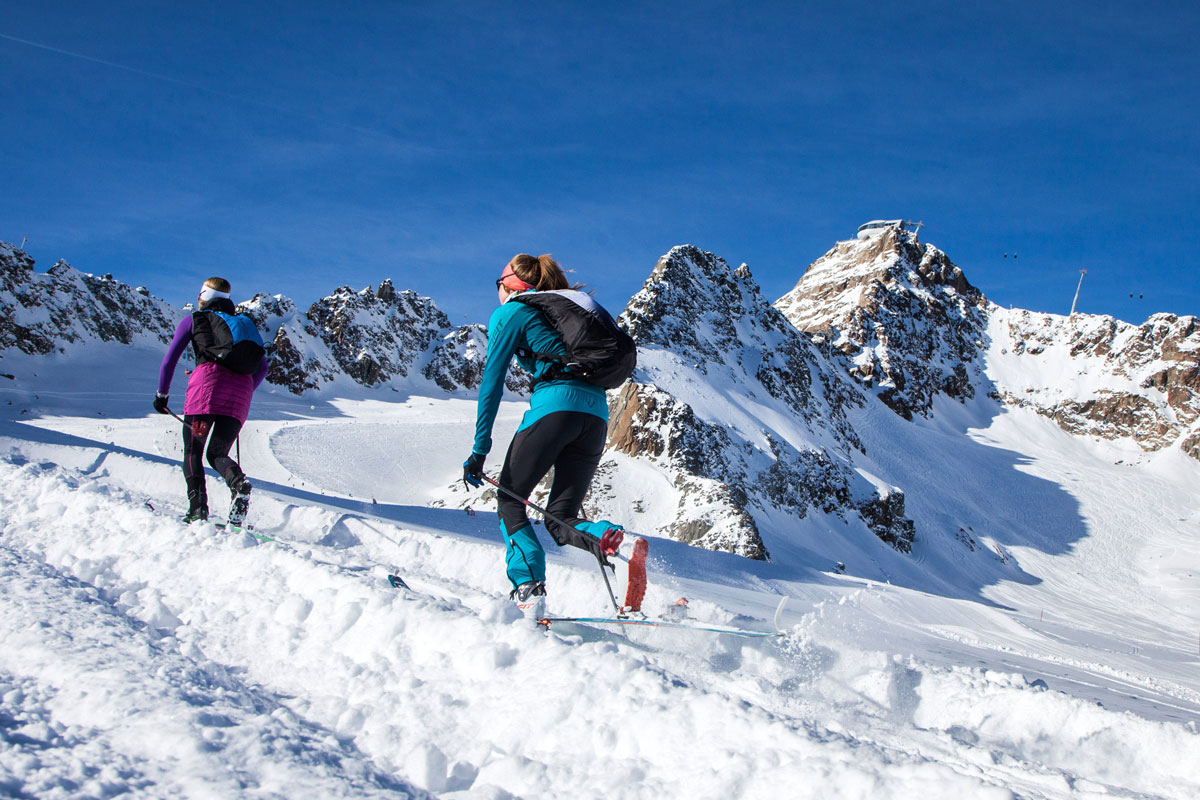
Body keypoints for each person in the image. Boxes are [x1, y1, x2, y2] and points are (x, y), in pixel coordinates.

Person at [463, 254, 625, 620]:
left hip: (555, 407)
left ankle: (528, 589)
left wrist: (479, 450)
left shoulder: (511, 312)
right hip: (596, 415)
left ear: (511, 285)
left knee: (510, 501)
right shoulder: (561, 311)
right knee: (560, 517)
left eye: (497, 284)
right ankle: (606, 537)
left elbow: (492, 383)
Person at [154, 277, 268, 525]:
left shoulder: (194, 319)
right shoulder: (246, 324)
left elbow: (169, 360)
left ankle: (197, 510)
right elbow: (262, 368)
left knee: (193, 451)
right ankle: (238, 484)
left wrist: (162, 395)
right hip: (240, 396)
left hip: (206, 391)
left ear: (203, 296)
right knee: (217, 453)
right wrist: (246, 389)